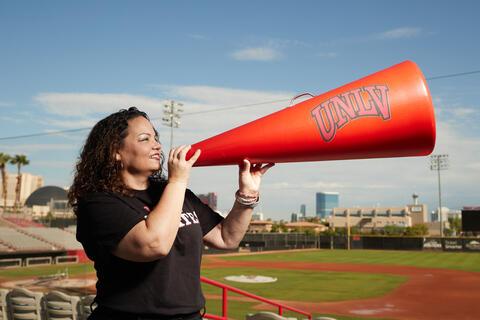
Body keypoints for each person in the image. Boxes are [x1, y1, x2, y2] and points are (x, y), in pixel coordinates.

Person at [68, 107, 274, 320]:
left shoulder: (177, 194)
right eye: (144, 139)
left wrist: (247, 195)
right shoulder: (98, 202)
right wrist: (177, 180)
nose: (157, 145)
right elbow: (153, 245)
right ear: (115, 151)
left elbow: (226, 238)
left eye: (156, 137)